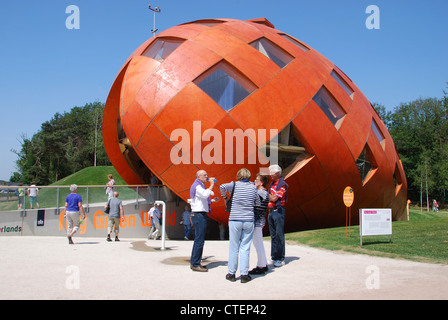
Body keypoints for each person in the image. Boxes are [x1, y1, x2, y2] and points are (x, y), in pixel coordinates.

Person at [220, 168, 260, 283]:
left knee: (234, 247)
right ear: (249, 176)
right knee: (245, 247)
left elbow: (222, 186)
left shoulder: (234, 185)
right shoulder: (253, 188)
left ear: (238, 175)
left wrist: (225, 197)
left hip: (235, 219)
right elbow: (257, 202)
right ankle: (244, 274)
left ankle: (231, 273)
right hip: (248, 219)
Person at [189, 170, 217, 272]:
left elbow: (207, 195)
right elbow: (205, 194)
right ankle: (196, 264)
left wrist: (212, 199)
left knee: (198, 240)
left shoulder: (200, 186)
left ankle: (194, 262)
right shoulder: (197, 186)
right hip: (199, 215)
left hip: (199, 214)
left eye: (207, 175)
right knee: (199, 240)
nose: (207, 176)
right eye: (205, 175)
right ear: (199, 177)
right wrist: (212, 184)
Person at [249, 173, 270, 275]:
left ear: (261, 182)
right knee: (258, 243)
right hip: (258, 221)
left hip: (257, 221)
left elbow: (251, 200)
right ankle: (263, 263)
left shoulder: (261, 193)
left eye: (256, 180)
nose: (254, 181)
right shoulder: (262, 192)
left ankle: (261, 266)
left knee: (258, 244)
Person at [267, 164, 288, 267]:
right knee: (273, 236)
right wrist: (269, 197)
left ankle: (280, 258)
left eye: (271, 172)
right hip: (271, 211)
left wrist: (268, 196)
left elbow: (274, 198)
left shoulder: (282, 185)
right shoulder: (272, 184)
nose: (269, 174)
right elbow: (270, 197)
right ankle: (274, 256)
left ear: (276, 173)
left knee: (279, 235)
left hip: (278, 212)